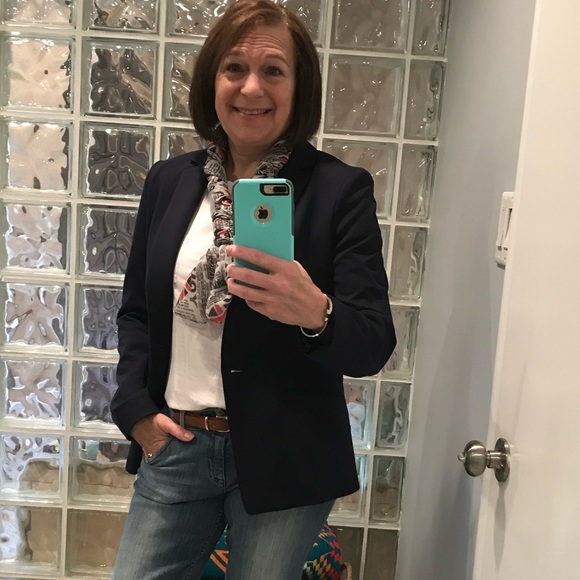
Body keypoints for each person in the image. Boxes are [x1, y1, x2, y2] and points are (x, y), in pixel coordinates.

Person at [110, 0, 396, 577]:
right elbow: (137, 311)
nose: (251, 88)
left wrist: (315, 311)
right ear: (212, 80)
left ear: (299, 86)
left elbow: (371, 342)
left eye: (273, 71)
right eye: (234, 68)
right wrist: (135, 410)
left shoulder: (339, 191)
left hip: (287, 455)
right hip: (178, 443)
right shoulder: (169, 181)